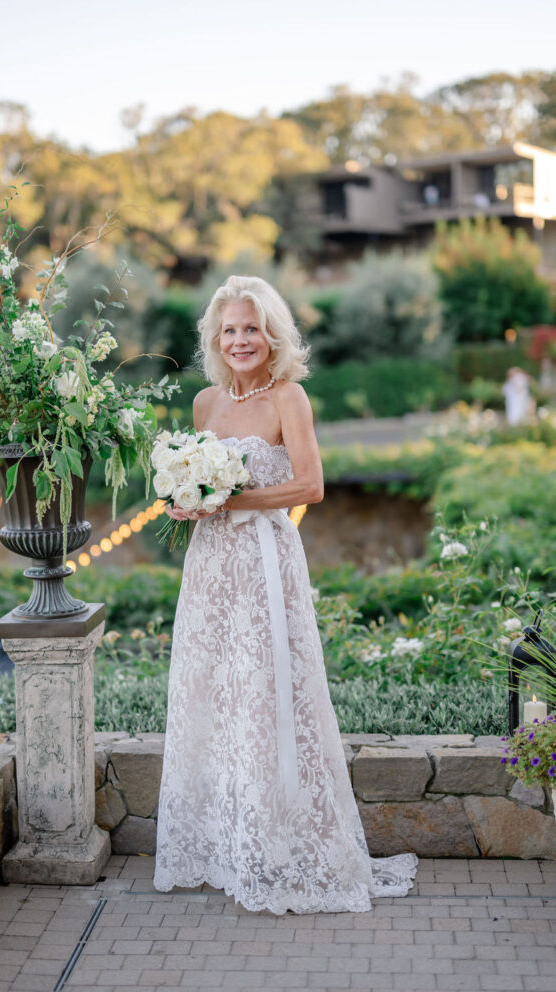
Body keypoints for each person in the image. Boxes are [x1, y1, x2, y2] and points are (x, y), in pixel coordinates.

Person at [152, 276, 418, 914]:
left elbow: (311, 485)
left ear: (271, 336)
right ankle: (228, 844)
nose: (240, 340)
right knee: (218, 692)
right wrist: (185, 499)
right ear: (216, 338)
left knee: (272, 692)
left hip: (265, 562)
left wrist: (228, 497)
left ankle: (287, 845)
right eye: (229, 329)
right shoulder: (204, 404)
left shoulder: (288, 397)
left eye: (251, 328)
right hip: (210, 565)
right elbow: (192, 486)